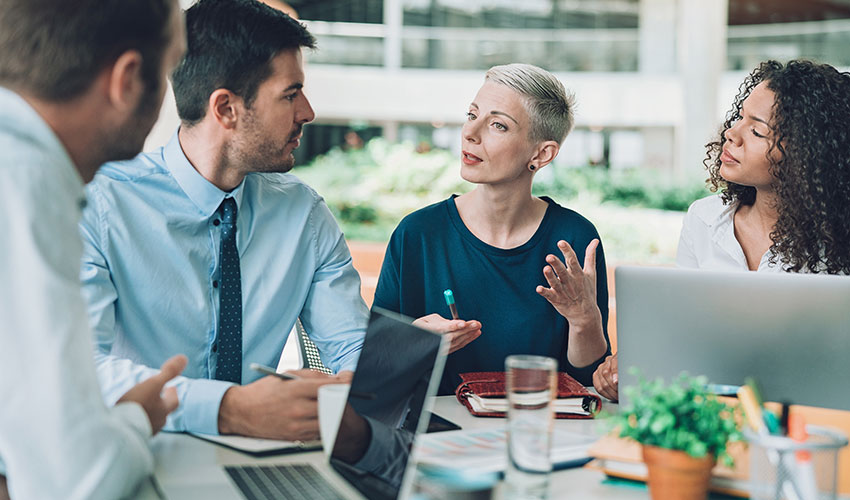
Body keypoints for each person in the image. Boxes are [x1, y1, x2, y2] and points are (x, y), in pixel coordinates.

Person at [79, 0, 366, 441]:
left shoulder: (305, 215)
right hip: (145, 457)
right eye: (290, 94)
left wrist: (381, 365)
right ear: (226, 108)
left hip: (265, 461)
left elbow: (351, 348)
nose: (307, 112)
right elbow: (82, 368)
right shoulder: (101, 206)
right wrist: (226, 410)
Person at [0, 0, 188, 498]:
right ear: (127, 79)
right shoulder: (25, 182)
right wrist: (135, 417)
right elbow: (77, 480)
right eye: (170, 68)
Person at [592, 59, 850, 402]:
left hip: (812, 419)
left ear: (807, 156)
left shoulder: (836, 243)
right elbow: (684, 332)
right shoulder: (704, 218)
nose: (732, 133)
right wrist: (631, 362)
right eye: (739, 117)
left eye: (757, 131)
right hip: (714, 412)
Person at [373, 63, 611, 395]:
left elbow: (586, 381)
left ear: (542, 154)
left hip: (540, 429)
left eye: (498, 125)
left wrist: (585, 320)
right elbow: (374, 368)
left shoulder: (573, 241)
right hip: (438, 436)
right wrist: (413, 341)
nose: (471, 133)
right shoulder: (418, 235)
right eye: (472, 115)